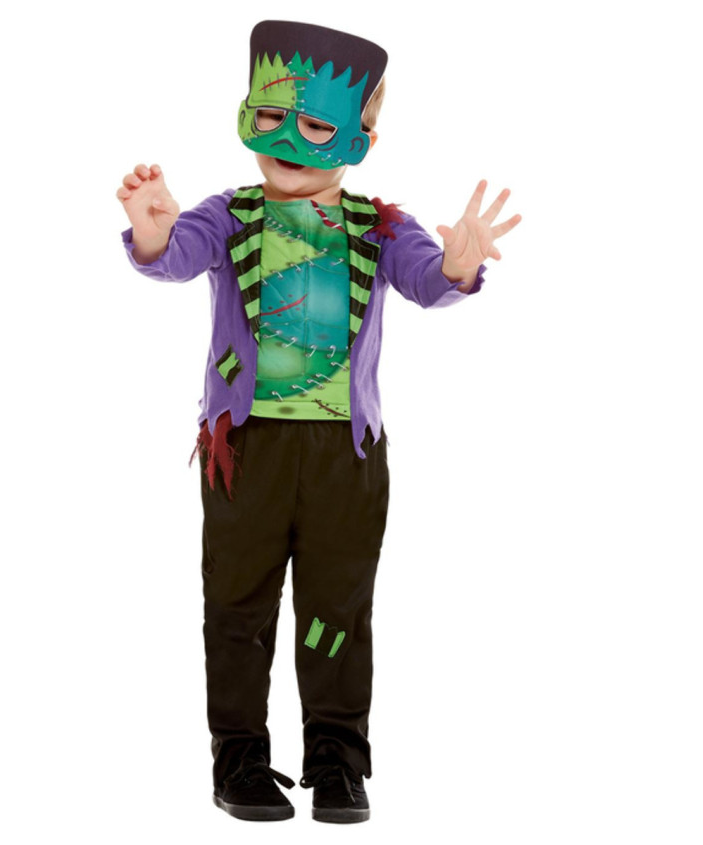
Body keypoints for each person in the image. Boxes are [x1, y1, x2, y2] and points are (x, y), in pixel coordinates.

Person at [116, 20, 521, 824]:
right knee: (238, 608)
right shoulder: (228, 214)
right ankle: (238, 758)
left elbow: (427, 278)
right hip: (245, 450)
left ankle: (336, 759)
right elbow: (176, 255)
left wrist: (458, 266)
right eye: (271, 116)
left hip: (345, 454)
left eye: (315, 125)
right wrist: (153, 233)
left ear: (361, 138)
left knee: (338, 609)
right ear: (245, 113)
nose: (287, 140)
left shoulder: (380, 224)